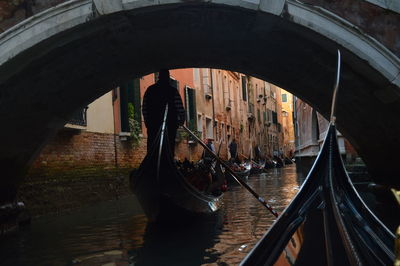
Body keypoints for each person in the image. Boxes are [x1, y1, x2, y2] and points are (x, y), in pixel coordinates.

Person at [142, 69, 186, 155]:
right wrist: (181, 121)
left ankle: (152, 166)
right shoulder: (173, 91)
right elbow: (180, 109)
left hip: (153, 125)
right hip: (170, 125)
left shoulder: (150, 90)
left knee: (153, 148)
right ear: (168, 78)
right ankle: (167, 166)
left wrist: (147, 123)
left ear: (159, 77)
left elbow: (144, 109)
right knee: (168, 148)